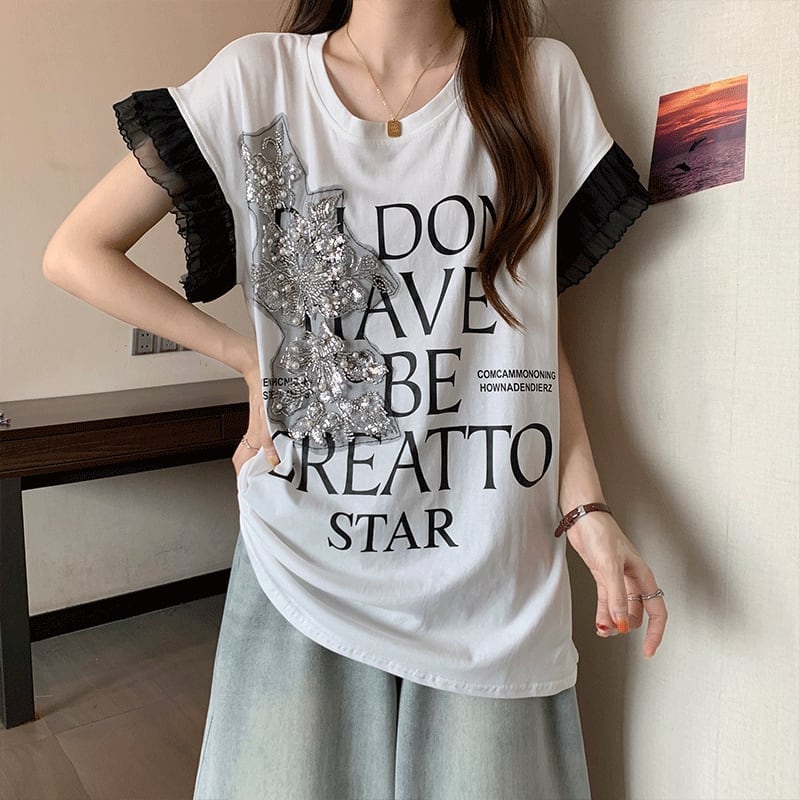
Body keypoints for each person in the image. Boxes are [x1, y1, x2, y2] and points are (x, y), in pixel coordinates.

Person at [43, 1, 668, 797]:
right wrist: (249, 361)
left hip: (489, 569)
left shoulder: (538, 82)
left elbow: (529, 339)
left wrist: (587, 510)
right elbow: (76, 252)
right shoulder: (258, 79)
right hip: (308, 555)